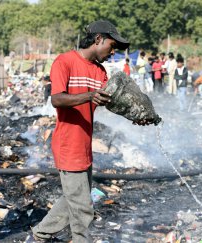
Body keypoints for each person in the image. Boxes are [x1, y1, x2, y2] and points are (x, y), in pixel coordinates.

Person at [26, 20, 152, 243]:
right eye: (112, 46)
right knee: (83, 207)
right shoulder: (64, 62)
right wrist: (88, 95)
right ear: (98, 39)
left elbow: (115, 101)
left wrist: (138, 116)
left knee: (74, 198)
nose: (112, 52)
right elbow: (56, 99)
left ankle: (41, 233)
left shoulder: (100, 71)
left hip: (84, 146)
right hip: (67, 144)